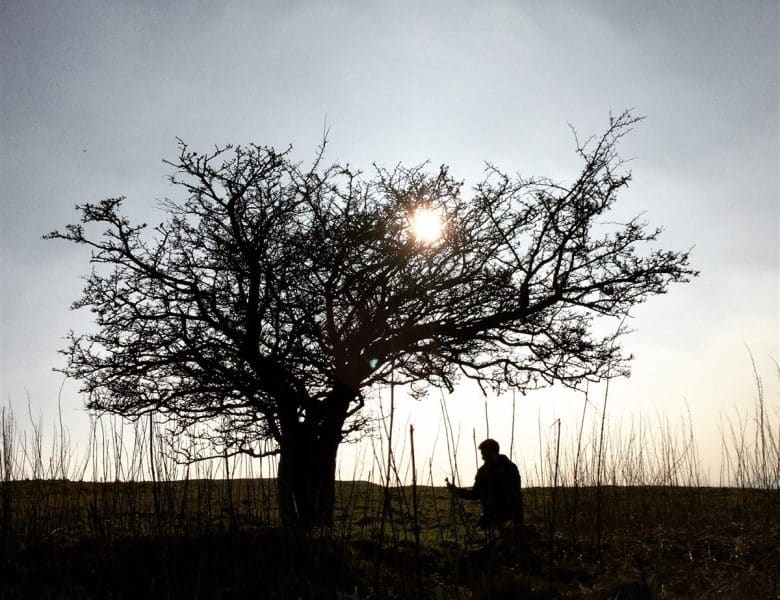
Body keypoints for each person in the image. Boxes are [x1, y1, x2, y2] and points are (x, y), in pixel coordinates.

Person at [447, 438, 524, 529]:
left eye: (484, 454)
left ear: (493, 452)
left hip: (510, 511)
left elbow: (515, 490)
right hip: (491, 513)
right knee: (481, 528)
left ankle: (516, 527)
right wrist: (456, 491)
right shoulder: (482, 472)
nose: (482, 457)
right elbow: (475, 494)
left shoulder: (509, 467)